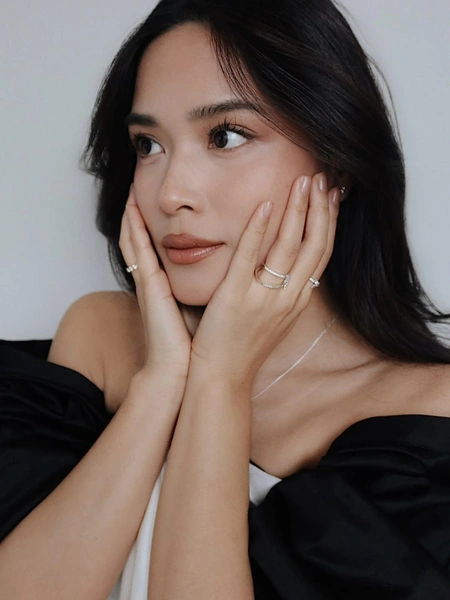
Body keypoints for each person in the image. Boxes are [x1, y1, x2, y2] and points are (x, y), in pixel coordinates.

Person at [1, 0, 450, 598]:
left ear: (337, 165)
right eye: (148, 144)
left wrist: (220, 378)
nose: (171, 193)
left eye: (226, 135)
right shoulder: (102, 335)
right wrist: (162, 382)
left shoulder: (425, 418)